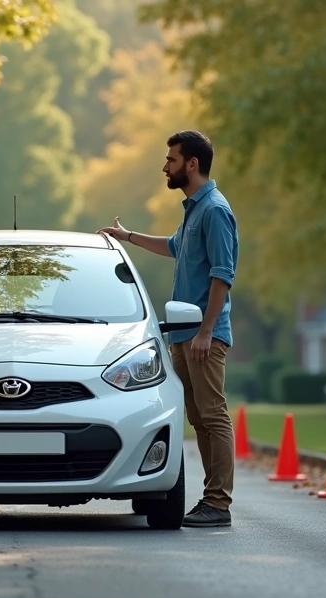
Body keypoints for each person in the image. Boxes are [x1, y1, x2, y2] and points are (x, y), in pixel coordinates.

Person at [98, 130, 238, 528]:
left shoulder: (214, 210)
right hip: (183, 334)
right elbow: (175, 247)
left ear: (191, 164)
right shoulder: (194, 209)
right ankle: (211, 500)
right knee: (198, 417)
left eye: (171, 160)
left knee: (213, 415)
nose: (165, 166)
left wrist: (206, 331)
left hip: (202, 335)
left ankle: (219, 503)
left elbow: (222, 275)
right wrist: (127, 238)